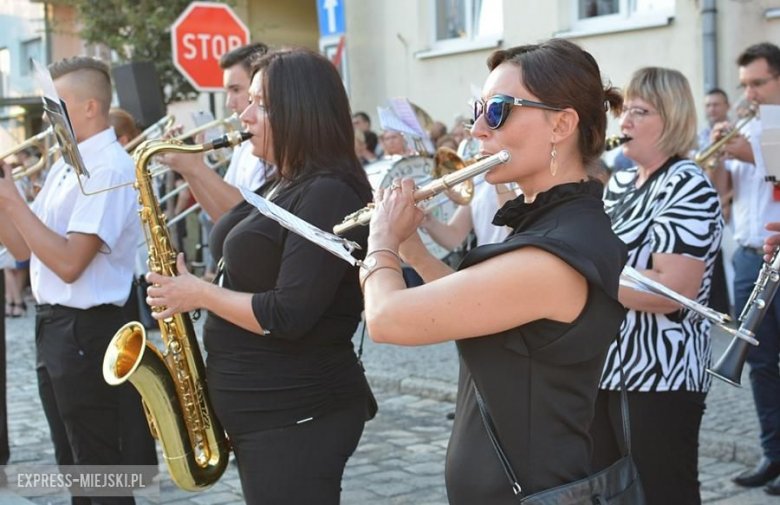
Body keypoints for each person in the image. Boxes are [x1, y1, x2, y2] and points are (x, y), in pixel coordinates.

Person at [361, 39, 628, 503]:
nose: (478, 129)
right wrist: (411, 250)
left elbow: (386, 319)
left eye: (499, 110)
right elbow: (483, 306)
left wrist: (380, 239)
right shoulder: (551, 226)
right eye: (477, 109)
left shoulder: (556, 251)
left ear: (562, 124)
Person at [145, 48, 374, 504]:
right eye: (247, 100)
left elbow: (289, 313)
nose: (244, 114)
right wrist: (196, 281)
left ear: (299, 112)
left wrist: (201, 294)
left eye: (260, 105)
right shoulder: (283, 181)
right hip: (266, 411)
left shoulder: (327, 192)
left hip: (296, 413)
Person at [0, 56, 143, 503]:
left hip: (90, 331)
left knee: (101, 466)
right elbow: (25, 251)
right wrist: (5, 204)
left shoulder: (109, 169)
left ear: (89, 108)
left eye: (55, 105)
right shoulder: (66, 164)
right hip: (55, 328)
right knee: (74, 461)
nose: (47, 117)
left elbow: (68, 264)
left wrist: (15, 202)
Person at [592, 67, 724, 505]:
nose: (623, 122)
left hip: (661, 376)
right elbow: (605, 258)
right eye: (624, 110)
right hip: (607, 367)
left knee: (664, 492)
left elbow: (670, 293)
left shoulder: (687, 184)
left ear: (672, 118)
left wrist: (584, 274)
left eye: (639, 111)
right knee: (610, 494)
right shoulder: (622, 183)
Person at [709, 42, 780, 496]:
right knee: (758, 362)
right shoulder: (749, 127)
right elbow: (722, 191)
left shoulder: (770, 132)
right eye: (744, 86)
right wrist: (719, 155)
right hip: (749, 255)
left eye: (758, 83)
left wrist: (751, 149)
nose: (749, 93)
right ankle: (774, 454)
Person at [163, 42, 272, 223]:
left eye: (236, 90)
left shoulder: (269, 147)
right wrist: (188, 171)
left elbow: (251, 216)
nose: (229, 103)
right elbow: (222, 218)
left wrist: (197, 168)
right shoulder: (243, 145)